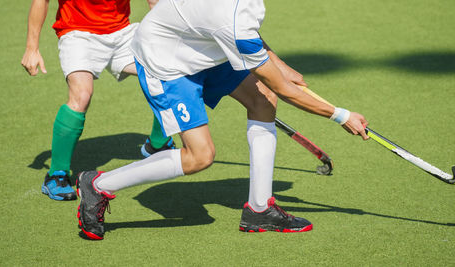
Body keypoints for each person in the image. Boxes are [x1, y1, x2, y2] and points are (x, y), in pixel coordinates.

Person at [76, 0, 369, 240]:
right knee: (200, 156)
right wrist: (340, 115)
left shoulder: (241, 12)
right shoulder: (230, 19)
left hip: (202, 46)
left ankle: (259, 209)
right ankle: (99, 184)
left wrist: (279, 64)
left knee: (263, 97)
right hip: (164, 62)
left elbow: (249, 33)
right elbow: (282, 86)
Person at [21, 0, 175, 201]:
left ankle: (157, 143)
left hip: (122, 33)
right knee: (82, 95)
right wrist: (32, 48)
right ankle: (56, 175)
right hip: (78, 35)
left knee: (170, 75)